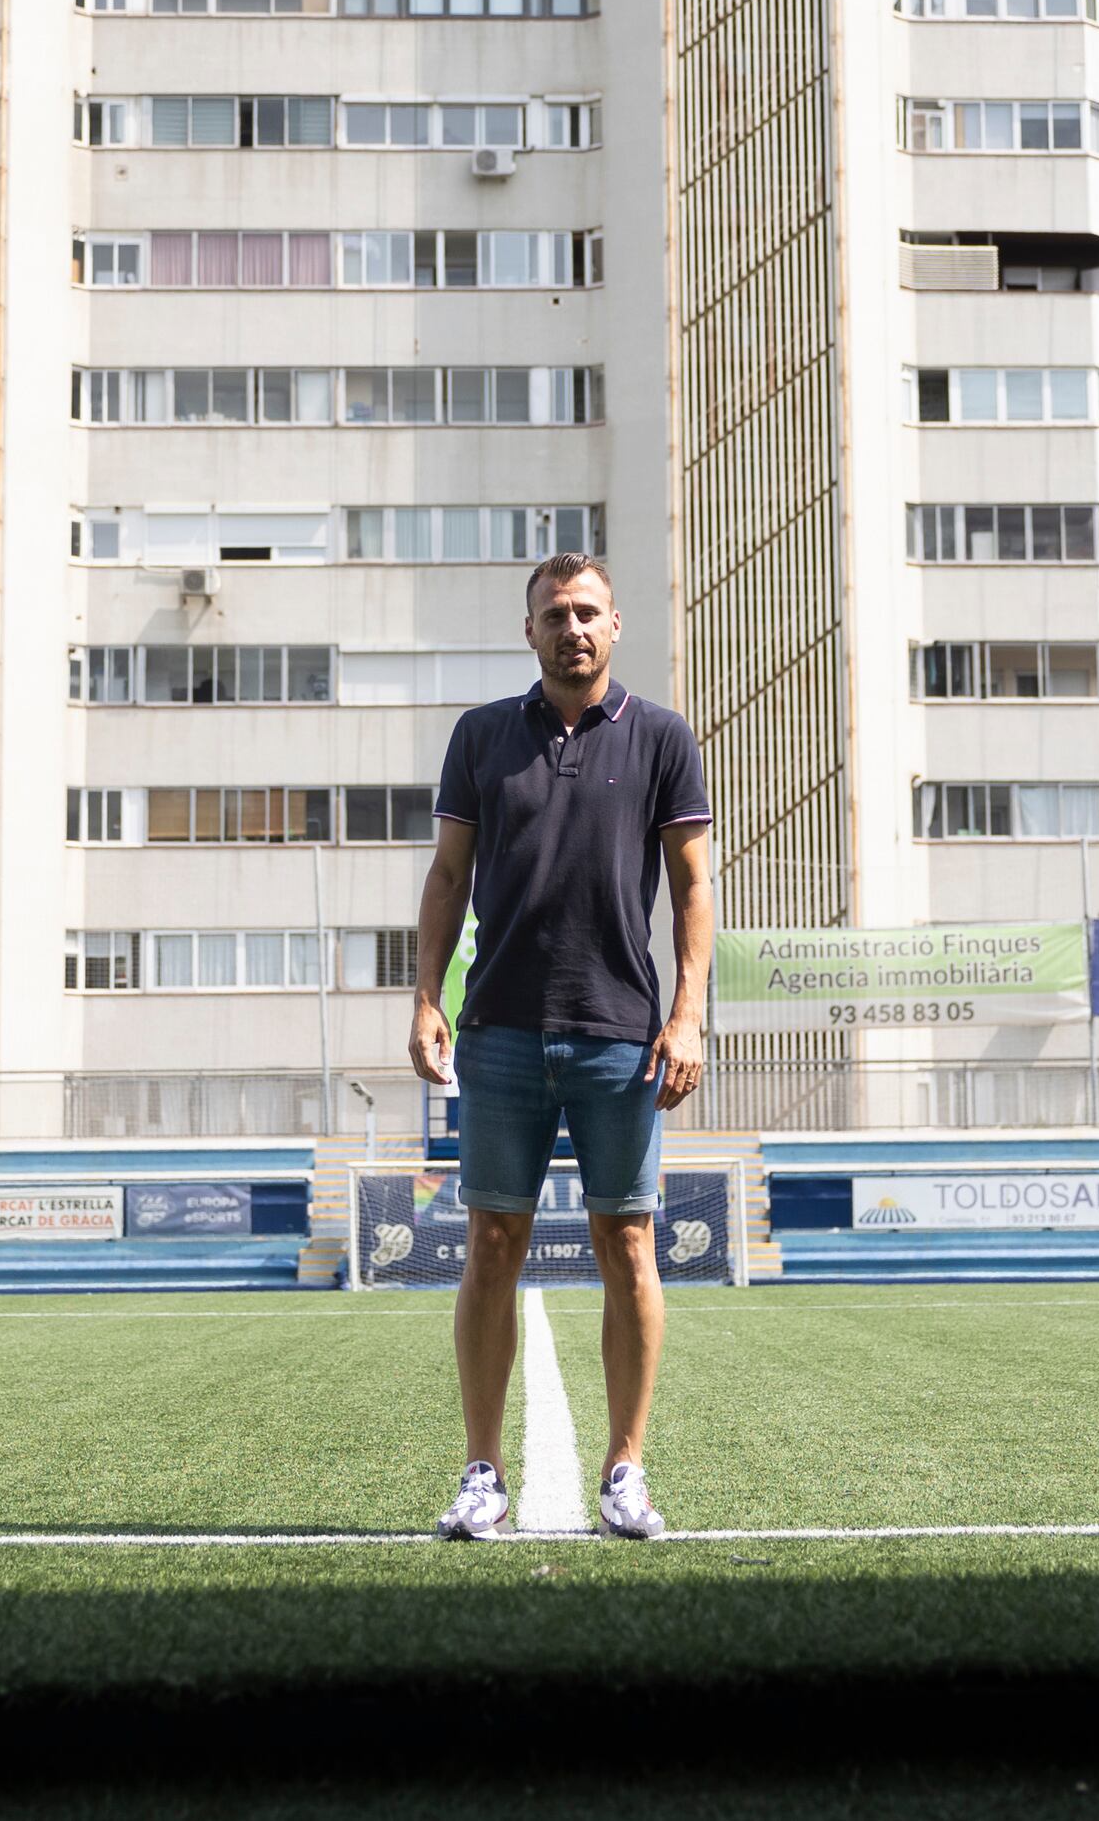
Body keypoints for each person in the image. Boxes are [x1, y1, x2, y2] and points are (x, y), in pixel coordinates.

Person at [409, 551, 716, 1540]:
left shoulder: (663, 737)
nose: (570, 627)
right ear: (529, 631)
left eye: (586, 612)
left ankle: (626, 1470)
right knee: (489, 1246)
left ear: (614, 625)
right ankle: (480, 1473)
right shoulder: (481, 736)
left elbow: (692, 887)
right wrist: (426, 997)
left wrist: (687, 1013)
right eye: (553, 614)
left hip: (620, 1038)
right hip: (498, 1033)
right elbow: (448, 874)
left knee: (625, 1243)